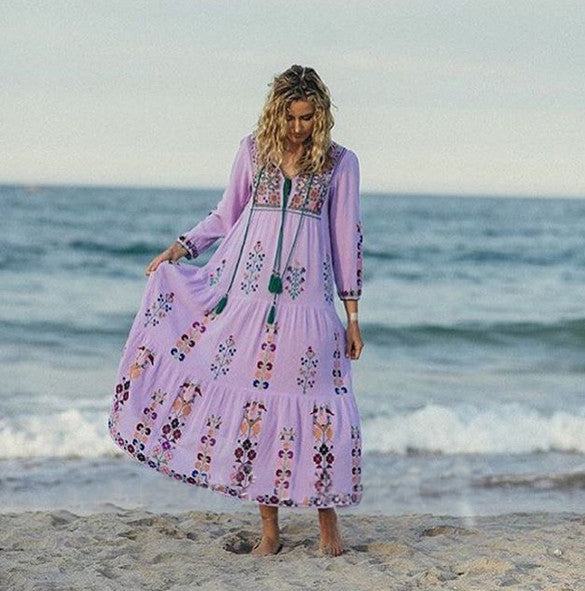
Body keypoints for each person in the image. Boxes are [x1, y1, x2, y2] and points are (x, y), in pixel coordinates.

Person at [108, 64, 364, 557]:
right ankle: (270, 532)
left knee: (316, 407)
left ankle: (327, 522)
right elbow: (227, 215)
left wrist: (352, 315)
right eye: (290, 117)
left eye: (307, 118)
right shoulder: (254, 151)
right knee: (255, 410)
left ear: (321, 116)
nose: (297, 128)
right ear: (276, 112)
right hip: (247, 301)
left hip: (308, 304)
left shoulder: (340, 163)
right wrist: (180, 249)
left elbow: (346, 237)